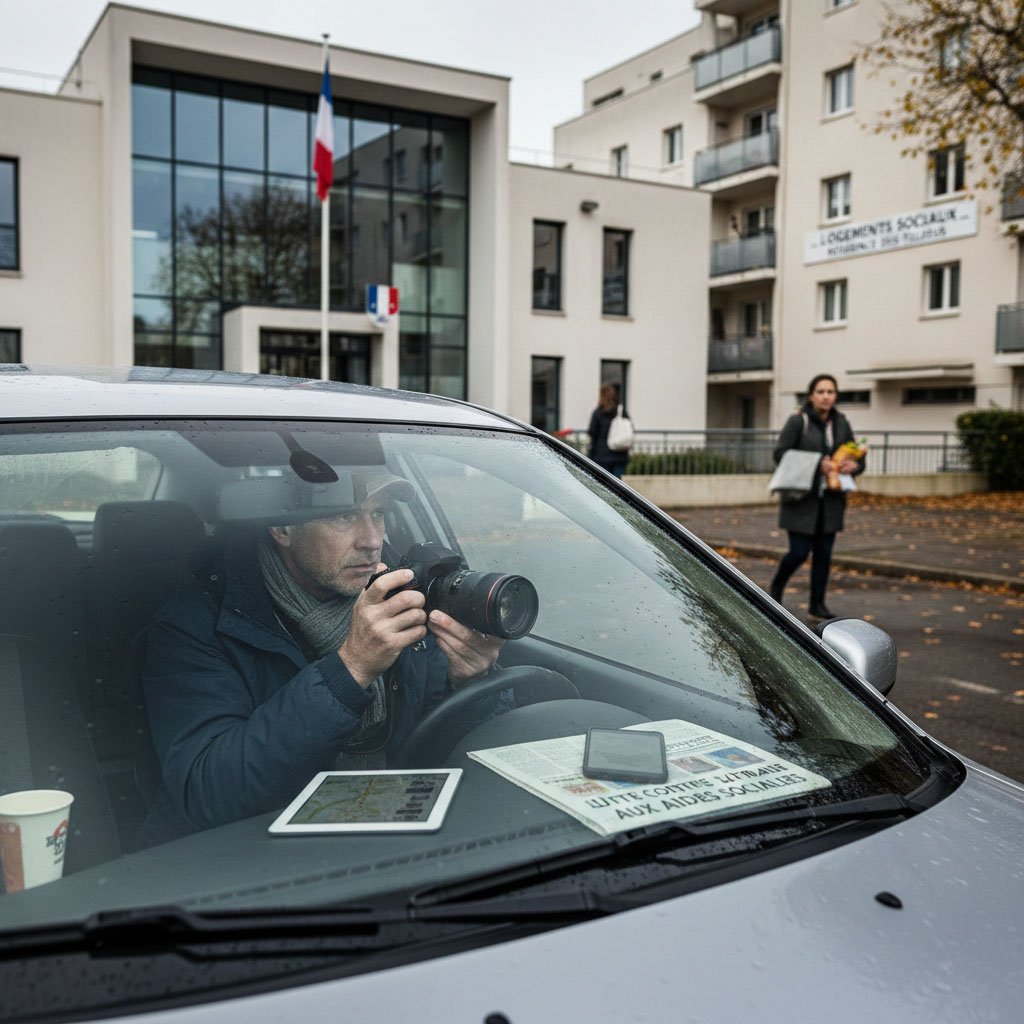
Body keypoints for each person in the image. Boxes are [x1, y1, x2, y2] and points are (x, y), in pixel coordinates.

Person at [137, 469, 504, 847]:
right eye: (342, 516)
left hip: (390, 841)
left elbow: (436, 745)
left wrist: (469, 683)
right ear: (283, 529)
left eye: (378, 514)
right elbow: (206, 793)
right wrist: (351, 668)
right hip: (243, 863)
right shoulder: (195, 625)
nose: (372, 539)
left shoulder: (398, 594)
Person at [768, 373, 865, 619]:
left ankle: (817, 605)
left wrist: (854, 467)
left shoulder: (841, 423)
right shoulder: (798, 421)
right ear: (811, 395)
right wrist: (815, 464)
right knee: (799, 552)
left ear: (836, 395)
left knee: (823, 555)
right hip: (801, 499)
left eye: (830, 392)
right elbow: (780, 454)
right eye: (820, 392)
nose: (825, 396)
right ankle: (776, 588)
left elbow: (857, 457)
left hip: (831, 500)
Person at [587, 382, 631, 479]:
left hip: (601, 455)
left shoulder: (598, 412)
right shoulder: (621, 411)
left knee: (603, 484)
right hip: (619, 454)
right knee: (617, 485)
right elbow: (629, 427)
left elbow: (592, 432)